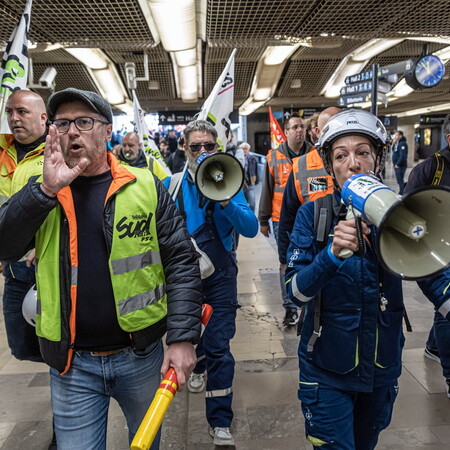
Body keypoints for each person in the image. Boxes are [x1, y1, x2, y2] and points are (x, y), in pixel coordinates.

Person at [0, 88, 202, 449]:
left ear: (107, 131)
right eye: (63, 123)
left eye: (84, 122)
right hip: (72, 366)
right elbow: (4, 244)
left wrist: (183, 336)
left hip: (141, 357)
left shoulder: (145, 186)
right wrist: (45, 191)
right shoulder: (42, 189)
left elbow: (181, 262)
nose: (72, 131)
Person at [286, 109, 405, 449]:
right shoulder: (314, 215)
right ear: (330, 167)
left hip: (381, 369)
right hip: (326, 372)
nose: (353, 163)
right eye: (341, 155)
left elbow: (435, 275)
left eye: (363, 152)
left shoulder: (399, 215)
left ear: (377, 160)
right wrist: (331, 256)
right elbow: (294, 292)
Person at [163, 119, 258, 446]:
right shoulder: (172, 184)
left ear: (218, 148)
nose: (203, 152)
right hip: (183, 278)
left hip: (220, 277)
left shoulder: (229, 180)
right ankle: (198, 364)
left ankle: (220, 421)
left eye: (209, 146)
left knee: (219, 344)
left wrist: (227, 201)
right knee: (192, 336)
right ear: (184, 149)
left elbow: (250, 228)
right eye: (196, 147)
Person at [0, 89, 57, 450]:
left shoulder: (57, 150)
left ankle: (65, 419)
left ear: (42, 118)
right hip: (15, 272)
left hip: (48, 268)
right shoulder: (2, 153)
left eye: (22, 111)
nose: (14, 118)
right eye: (9, 111)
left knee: (56, 347)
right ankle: (71, 364)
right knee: (21, 346)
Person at [404, 114, 450, 396]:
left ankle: (434, 346)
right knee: (448, 309)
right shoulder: (430, 169)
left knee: (444, 309)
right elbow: (406, 213)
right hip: (437, 255)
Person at [277, 107, 339, 298]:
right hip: (312, 249)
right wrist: (284, 258)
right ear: (317, 132)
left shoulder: (360, 166)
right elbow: (287, 215)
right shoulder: (301, 166)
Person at [258, 113, 312, 327]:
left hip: (309, 218)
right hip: (282, 220)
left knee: (310, 260)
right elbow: (267, 189)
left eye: (302, 127)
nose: (299, 131)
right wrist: (263, 219)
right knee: (285, 263)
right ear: (286, 132)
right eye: (294, 127)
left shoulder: (315, 155)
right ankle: (290, 308)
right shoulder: (273, 157)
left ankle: (308, 304)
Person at [240, 142, 258, 212]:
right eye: (243, 149)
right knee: (242, 203)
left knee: (252, 202)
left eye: (246, 149)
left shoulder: (252, 158)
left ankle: (251, 216)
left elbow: (256, 170)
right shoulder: (238, 158)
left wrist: (256, 180)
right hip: (241, 184)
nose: (244, 150)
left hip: (250, 183)